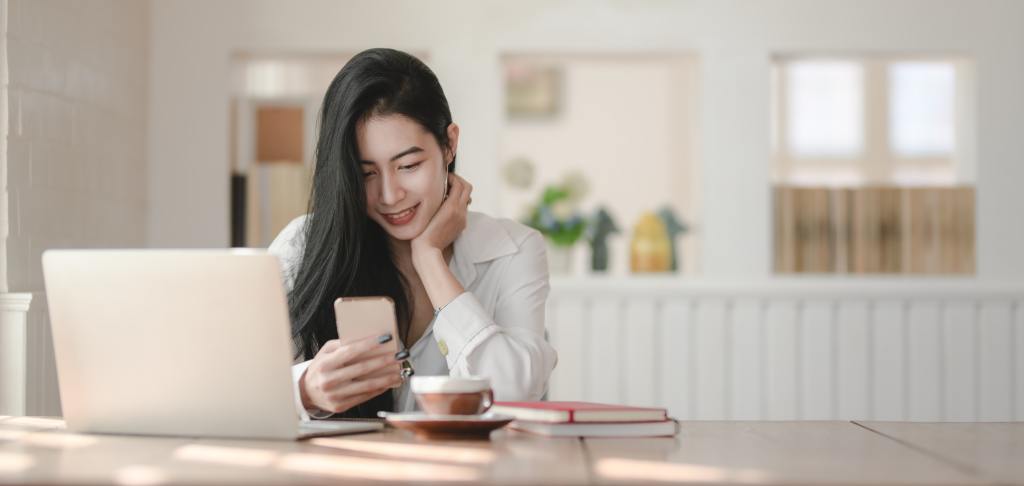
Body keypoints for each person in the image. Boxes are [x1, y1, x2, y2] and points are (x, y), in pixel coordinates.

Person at [268, 48, 557, 419]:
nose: (389, 195)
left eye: (408, 165)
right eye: (366, 173)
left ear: (449, 145)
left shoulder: (512, 250)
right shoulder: (303, 246)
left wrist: (429, 258)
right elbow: (233, 387)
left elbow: (513, 394)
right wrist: (304, 390)